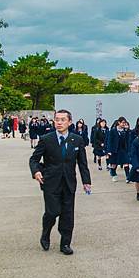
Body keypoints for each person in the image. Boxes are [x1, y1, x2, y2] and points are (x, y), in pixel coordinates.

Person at [29, 109, 91, 255]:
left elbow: (82, 163)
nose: (59, 122)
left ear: (70, 122)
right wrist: (36, 171)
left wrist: (86, 181)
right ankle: (46, 233)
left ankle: (65, 243)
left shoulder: (77, 140)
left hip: (69, 183)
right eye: (57, 119)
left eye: (63, 120)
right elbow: (34, 159)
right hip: (50, 182)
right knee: (52, 212)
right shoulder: (46, 139)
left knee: (68, 214)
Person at [106, 117, 131, 182]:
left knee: (126, 163)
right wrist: (109, 151)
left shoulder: (126, 131)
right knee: (114, 164)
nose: (124, 124)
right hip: (115, 150)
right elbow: (109, 141)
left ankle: (128, 177)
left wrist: (129, 149)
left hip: (123, 149)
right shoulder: (113, 131)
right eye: (123, 123)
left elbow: (128, 140)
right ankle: (114, 175)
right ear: (119, 122)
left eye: (125, 123)